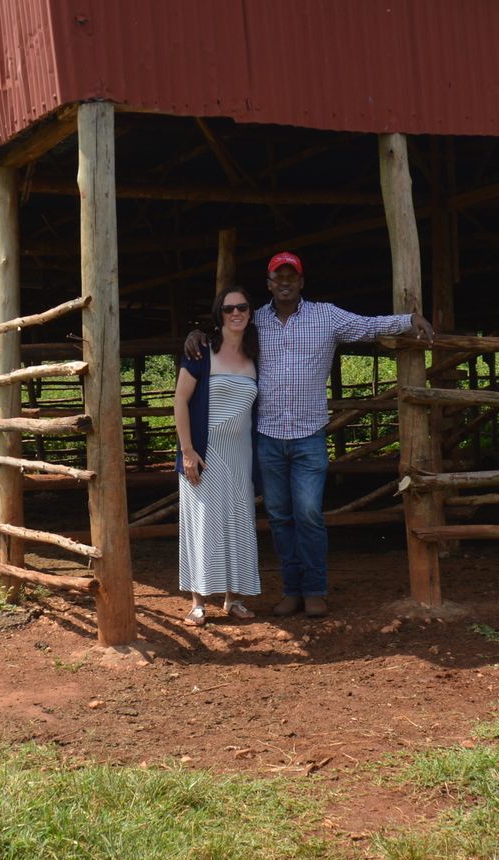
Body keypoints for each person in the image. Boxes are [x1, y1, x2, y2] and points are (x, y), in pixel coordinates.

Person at [186, 251, 433, 617]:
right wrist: (195, 333)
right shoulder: (256, 323)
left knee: (309, 513)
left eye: (291, 276)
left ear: (301, 282)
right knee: (280, 516)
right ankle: (292, 591)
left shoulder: (326, 316)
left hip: (308, 436)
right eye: (277, 277)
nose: (284, 282)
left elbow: (369, 325)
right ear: (269, 284)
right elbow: (225, 332)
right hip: (267, 436)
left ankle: (315, 589)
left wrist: (408, 319)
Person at [173, 285, 261, 624]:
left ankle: (234, 599)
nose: (235, 313)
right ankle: (198, 601)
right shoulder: (201, 352)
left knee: (239, 521)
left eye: (241, 307)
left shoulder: (255, 355)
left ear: (250, 313)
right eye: (228, 309)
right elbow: (180, 401)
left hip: (241, 455)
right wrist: (188, 451)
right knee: (204, 524)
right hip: (204, 453)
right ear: (219, 315)